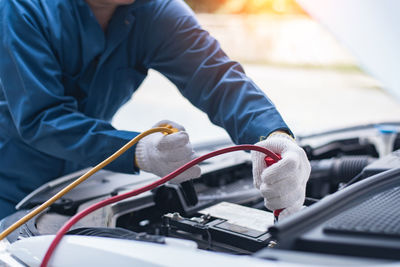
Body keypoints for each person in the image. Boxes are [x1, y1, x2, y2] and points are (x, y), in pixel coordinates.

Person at [0, 0, 310, 219]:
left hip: (79, 184)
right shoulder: (23, 8)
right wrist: (137, 150)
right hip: (8, 187)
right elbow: (42, 117)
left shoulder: (154, 11)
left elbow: (217, 79)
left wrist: (275, 135)